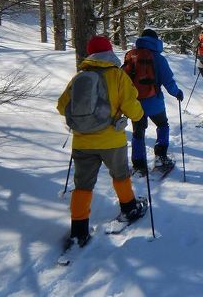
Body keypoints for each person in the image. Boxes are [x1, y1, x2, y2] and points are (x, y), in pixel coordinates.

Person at [57, 35, 147, 247]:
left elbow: (62, 106)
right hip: (111, 140)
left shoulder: (80, 77)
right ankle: (129, 208)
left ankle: (78, 230)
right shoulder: (117, 75)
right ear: (109, 52)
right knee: (120, 175)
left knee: (83, 186)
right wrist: (139, 116)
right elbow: (131, 106)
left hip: (82, 142)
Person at [122, 28, 183, 176]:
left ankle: (138, 165)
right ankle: (160, 157)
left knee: (138, 132)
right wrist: (177, 93)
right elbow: (168, 81)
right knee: (162, 125)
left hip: (135, 104)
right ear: (156, 41)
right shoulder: (158, 58)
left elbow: (122, 79)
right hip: (154, 102)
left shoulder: (131, 56)